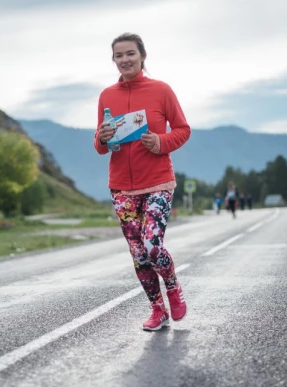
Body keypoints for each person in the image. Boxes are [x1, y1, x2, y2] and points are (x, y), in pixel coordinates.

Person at [94, 32, 191, 331]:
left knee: (151, 245)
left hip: (158, 182)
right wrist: (102, 137)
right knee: (138, 254)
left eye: (130, 54)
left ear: (142, 56)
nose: (124, 60)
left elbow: (183, 129)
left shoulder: (161, 90)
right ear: (113, 60)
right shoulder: (107, 96)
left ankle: (173, 286)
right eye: (118, 56)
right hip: (121, 186)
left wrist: (160, 142)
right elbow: (99, 145)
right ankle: (157, 308)